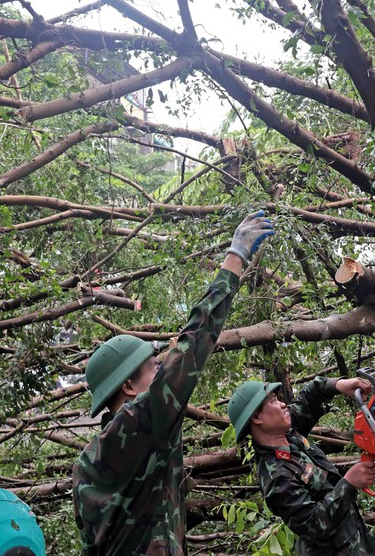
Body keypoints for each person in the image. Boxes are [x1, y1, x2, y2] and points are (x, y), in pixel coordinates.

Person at [72, 210, 275, 556]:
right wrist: (234, 259)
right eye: (153, 368)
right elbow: (190, 349)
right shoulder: (139, 425)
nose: (162, 371)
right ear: (128, 388)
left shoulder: (92, 459)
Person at [228, 376, 375, 555]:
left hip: (359, 543)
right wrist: (349, 484)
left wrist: (338, 385)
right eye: (274, 401)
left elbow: (310, 395)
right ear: (257, 417)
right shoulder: (276, 476)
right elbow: (314, 524)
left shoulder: (288, 433)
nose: (283, 404)